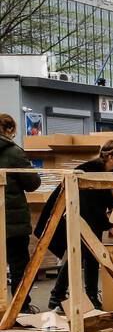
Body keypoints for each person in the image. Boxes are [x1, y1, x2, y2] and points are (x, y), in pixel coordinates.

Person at [42, 139, 113, 312]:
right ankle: (62, 296)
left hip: (86, 216)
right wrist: (109, 226)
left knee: (89, 255)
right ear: (110, 156)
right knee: (82, 254)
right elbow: (89, 205)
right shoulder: (88, 171)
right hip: (68, 214)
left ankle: (82, 295)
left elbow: (108, 199)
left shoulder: (109, 171)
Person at [0, 113, 43, 313]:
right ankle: (21, 308)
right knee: (19, 265)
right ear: (9, 129)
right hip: (12, 221)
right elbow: (32, 183)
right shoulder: (14, 153)